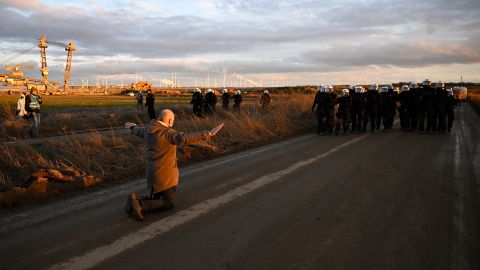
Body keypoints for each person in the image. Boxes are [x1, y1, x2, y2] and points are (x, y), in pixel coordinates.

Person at [124, 109, 224, 221]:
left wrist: (132, 127)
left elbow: (139, 131)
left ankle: (135, 201)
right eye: (173, 120)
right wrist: (208, 134)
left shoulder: (149, 129)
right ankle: (140, 204)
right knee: (167, 203)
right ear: (170, 120)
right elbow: (185, 138)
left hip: (155, 172)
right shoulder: (167, 133)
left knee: (158, 196)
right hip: (165, 173)